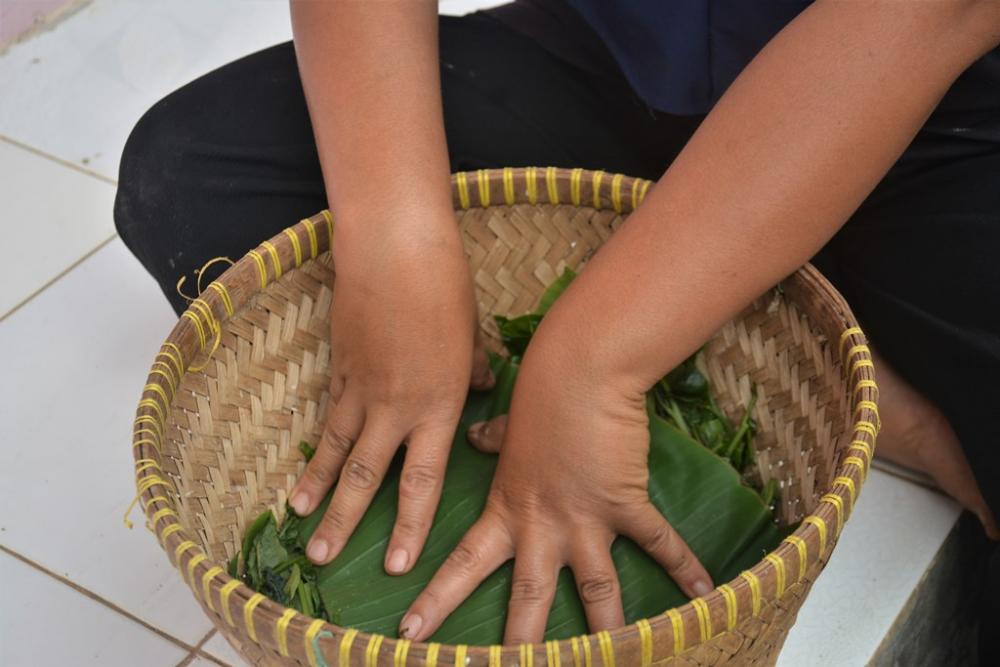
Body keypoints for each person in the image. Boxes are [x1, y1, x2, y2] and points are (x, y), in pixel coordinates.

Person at [115, 0, 1000, 657]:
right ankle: (798, 326)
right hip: (624, 57)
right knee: (190, 176)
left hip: (915, 95)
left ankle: (787, 319)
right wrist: (396, 235)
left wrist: (588, 364)